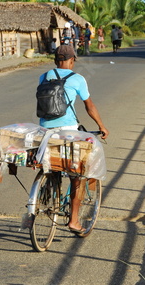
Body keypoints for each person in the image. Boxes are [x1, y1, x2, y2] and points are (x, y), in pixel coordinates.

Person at [38, 45, 109, 233]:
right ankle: (74, 220)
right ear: (72, 60)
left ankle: (47, 189)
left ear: (55, 60)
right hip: (68, 131)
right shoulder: (77, 79)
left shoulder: (44, 76)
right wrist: (101, 126)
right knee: (78, 175)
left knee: (54, 163)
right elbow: (89, 105)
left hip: (45, 129)